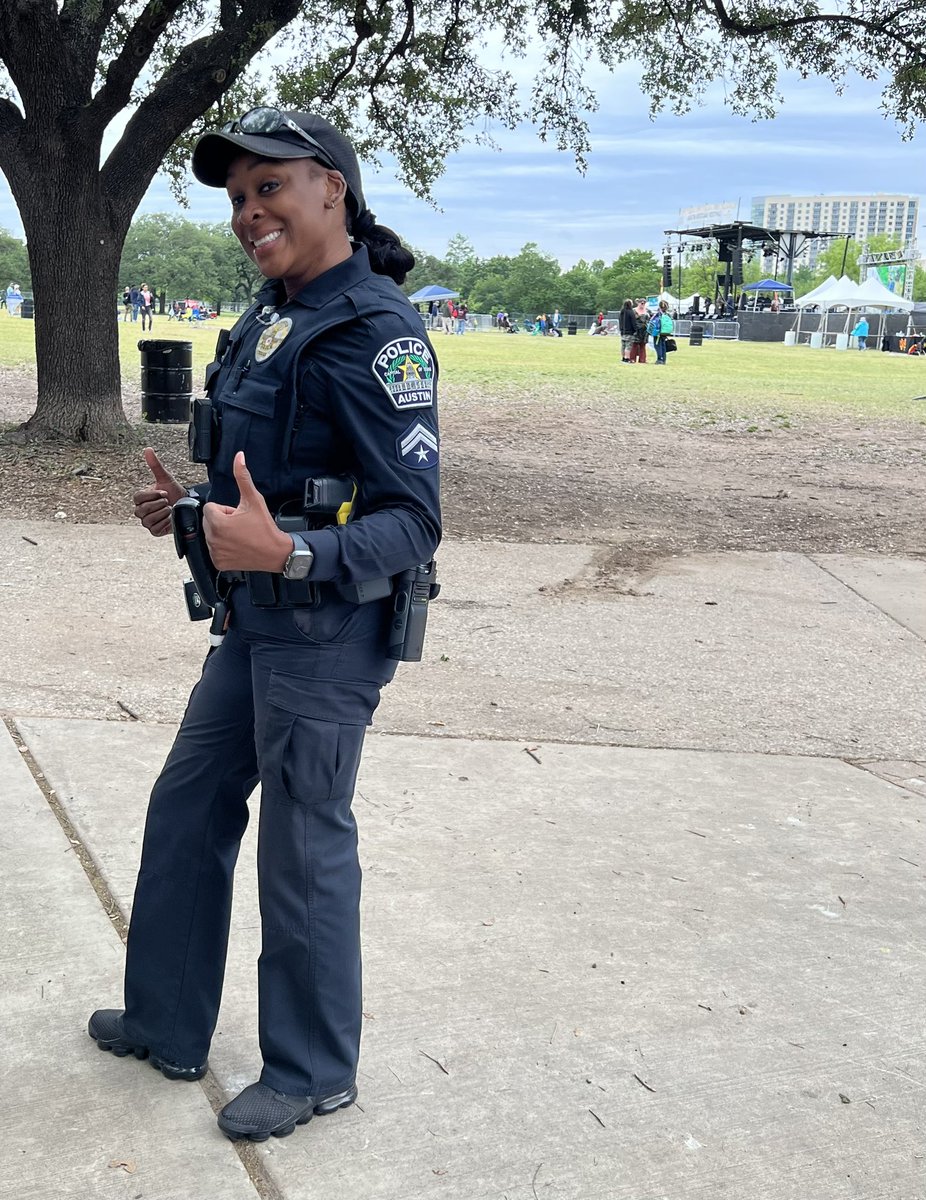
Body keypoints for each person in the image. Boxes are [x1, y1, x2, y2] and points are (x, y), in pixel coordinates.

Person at [87, 108, 441, 1145]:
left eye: (269, 188)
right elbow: (271, 481)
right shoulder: (271, 315)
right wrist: (192, 510)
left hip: (328, 635)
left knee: (303, 848)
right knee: (188, 805)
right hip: (256, 624)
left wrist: (289, 554)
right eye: (238, 198)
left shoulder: (377, 332)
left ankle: (311, 1069)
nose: (249, 213)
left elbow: (411, 521)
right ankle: (166, 1019)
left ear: (332, 185)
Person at [649, 298, 674, 365]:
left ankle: (659, 359)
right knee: (663, 345)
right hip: (665, 332)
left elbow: (652, 322)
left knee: (657, 345)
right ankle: (663, 359)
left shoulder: (657, 314)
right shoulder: (667, 315)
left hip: (658, 332)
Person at [627, 298, 649, 364]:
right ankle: (632, 359)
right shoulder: (633, 311)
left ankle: (642, 360)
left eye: (644, 303)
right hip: (635, 330)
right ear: (638, 303)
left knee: (643, 345)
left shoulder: (647, 311)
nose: (642, 304)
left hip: (644, 330)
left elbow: (649, 320)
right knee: (634, 345)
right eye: (641, 303)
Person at [618, 298, 636, 363]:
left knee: (623, 345)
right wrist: (635, 329)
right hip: (629, 332)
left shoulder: (621, 312)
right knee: (628, 346)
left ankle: (623, 358)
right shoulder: (631, 312)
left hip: (623, 332)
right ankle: (627, 358)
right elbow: (633, 322)